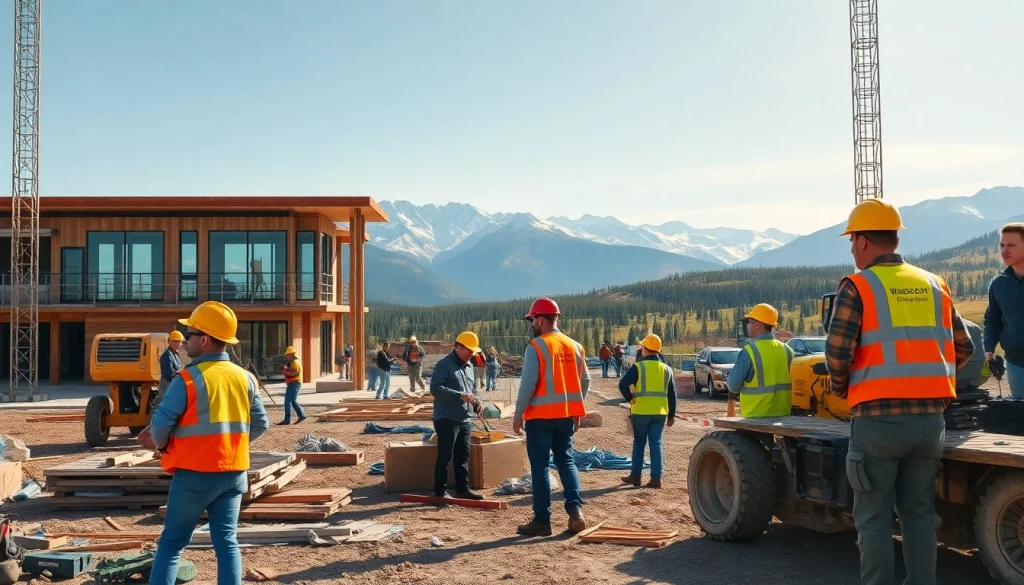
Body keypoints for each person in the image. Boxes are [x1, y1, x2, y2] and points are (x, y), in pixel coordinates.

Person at [824, 199, 975, 585]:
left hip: (878, 422)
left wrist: (843, 390)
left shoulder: (858, 286)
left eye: (851, 240)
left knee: (873, 518)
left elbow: (838, 354)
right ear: (893, 238)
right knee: (919, 514)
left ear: (860, 241)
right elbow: (965, 348)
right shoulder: (934, 284)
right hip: (930, 423)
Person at [139, 301, 270, 585]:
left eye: (190, 334)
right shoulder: (245, 378)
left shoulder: (187, 379)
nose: (185, 341)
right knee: (227, 543)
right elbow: (261, 423)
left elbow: (160, 426)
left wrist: (160, 447)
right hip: (234, 474)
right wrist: (230, 446)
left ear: (205, 339)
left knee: (172, 543)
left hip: (194, 475)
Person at [513, 297, 590, 537]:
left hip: (540, 418)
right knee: (566, 462)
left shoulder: (536, 347)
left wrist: (518, 415)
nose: (532, 324)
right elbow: (585, 380)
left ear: (542, 320)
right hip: (565, 417)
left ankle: (542, 521)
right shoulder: (575, 346)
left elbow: (528, 385)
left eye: (533, 319)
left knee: (540, 467)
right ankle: (575, 512)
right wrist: (577, 408)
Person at [429, 331, 483, 500]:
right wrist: (459, 395)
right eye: (469, 350)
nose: (472, 354)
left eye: (473, 351)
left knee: (462, 456)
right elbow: (435, 388)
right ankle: (440, 491)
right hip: (446, 418)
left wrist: (476, 403)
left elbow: (472, 391)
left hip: (465, 418)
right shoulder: (444, 365)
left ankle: (462, 489)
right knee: (445, 455)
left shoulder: (469, 367)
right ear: (458, 347)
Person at [618, 334, 675, 488]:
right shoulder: (667, 369)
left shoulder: (638, 367)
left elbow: (623, 384)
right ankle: (656, 478)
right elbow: (672, 394)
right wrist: (671, 415)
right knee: (656, 443)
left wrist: (630, 399)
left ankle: (636, 476)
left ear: (644, 349)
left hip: (641, 412)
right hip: (660, 413)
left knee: (639, 443)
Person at [725, 303, 794, 419]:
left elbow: (733, 386)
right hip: (784, 414)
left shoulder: (749, 352)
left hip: (754, 415)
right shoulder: (788, 350)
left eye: (750, 322)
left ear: (758, 325)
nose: (747, 326)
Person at [984, 222, 1024, 398]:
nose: (1004, 251)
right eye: (1001, 245)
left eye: (1011, 245)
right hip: (1015, 364)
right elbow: (993, 320)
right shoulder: (998, 284)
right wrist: (989, 348)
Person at [156, 330, 185, 408]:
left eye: (180, 342)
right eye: (176, 341)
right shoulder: (167, 356)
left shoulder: (175, 355)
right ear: (170, 342)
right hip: (168, 390)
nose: (178, 344)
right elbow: (168, 375)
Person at [279, 347, 305, 425]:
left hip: (294, 383)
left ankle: (287, 419)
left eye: (287, 355)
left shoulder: (295, 363)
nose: (286, 357)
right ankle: (301, 415)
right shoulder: (293, 362)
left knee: (287, 401)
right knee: (293, 401)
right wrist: (286, 370)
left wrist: (285, 371)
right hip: (293, 383)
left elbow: (295, 373)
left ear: (291, 355)